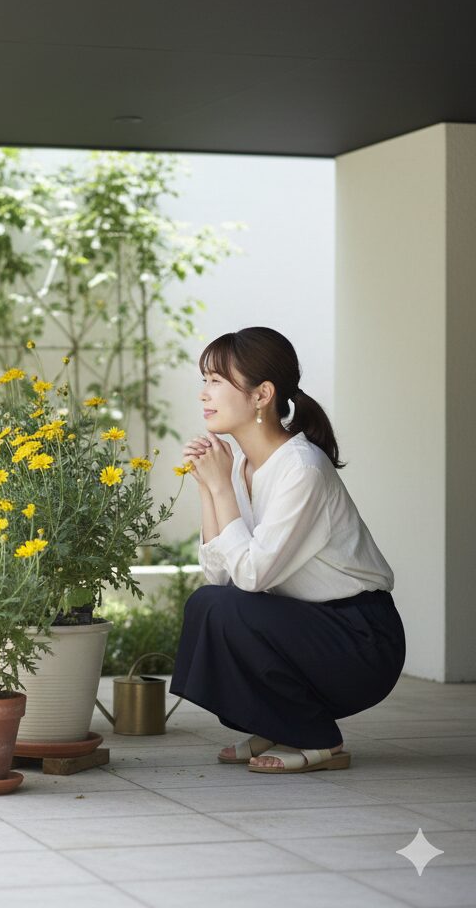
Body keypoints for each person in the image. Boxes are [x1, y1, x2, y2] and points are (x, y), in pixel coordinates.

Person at [168, 326, 406, 774]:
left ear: (262, 395)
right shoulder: (239, 464)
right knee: (209, 605)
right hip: (309, 627)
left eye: (216, 381)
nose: (204, 393)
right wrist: (209, 487)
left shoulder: (302, 468)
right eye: (204, 380)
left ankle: (319, 740)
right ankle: (282, 723)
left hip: (361, 640)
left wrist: (220, 488)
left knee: (223, 610)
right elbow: (221, 578)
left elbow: (253, 576)